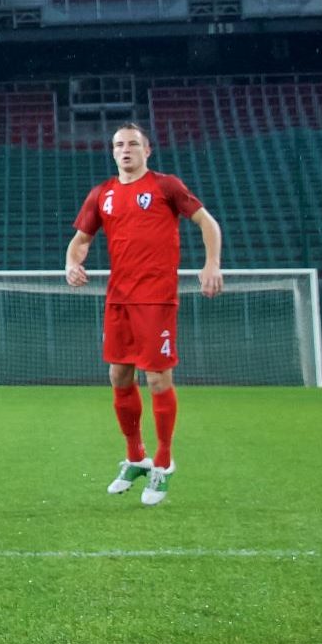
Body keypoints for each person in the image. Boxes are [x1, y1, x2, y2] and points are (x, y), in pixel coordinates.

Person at [66, 122, 223, 507]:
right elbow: (81, 240)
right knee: (118, 374)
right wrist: (71, 262)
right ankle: (136, 457)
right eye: (119, 144)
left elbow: (207, 222)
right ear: (112, 151)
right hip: (119, 299)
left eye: (133, 144)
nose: (125, 150)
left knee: (156, 377)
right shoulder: (101, 194)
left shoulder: (166, 186)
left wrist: (211, 264)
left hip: (156, 297)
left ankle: (164, 463)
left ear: (147, 150)